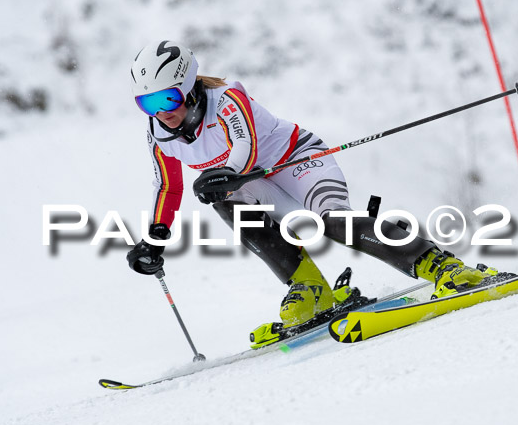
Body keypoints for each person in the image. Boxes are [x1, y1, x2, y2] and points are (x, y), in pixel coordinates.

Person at [126, 40, 498, 343]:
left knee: (334, 223)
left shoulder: (226, 100)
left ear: (189, 88)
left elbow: (246, 148)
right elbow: (168, 186)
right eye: (148, 104)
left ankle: (440, 264)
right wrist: (154, 239)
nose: (161, 112)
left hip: (298, 162)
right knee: (222, 200)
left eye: (167, 99)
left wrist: (224, 173)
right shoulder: (158, 134)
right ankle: (311, 290)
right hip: (250, 182)